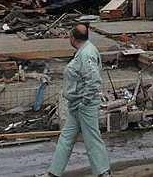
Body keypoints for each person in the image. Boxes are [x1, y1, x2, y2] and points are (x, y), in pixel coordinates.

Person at [45, 23, 111, 177]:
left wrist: (85, 102)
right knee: (65, 139)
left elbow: (93, 81)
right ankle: (53, 173)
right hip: (76, 105)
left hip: (84, 106)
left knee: (92, 140)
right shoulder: (84, 51)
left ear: (73, 38)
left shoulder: (86, 54)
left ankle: (103, 172)